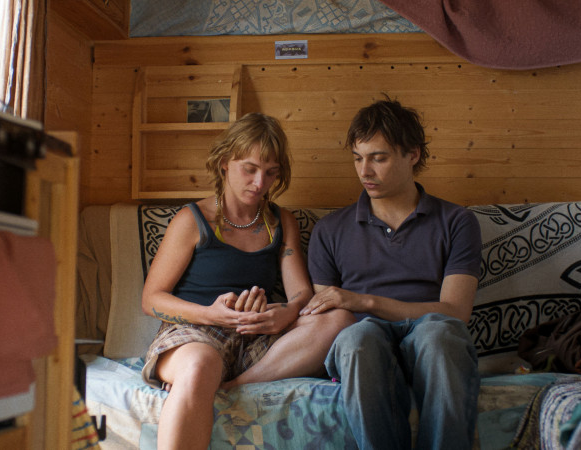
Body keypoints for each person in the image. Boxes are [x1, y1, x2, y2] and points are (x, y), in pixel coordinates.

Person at [140, 112, 356, 450]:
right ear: (224, 162)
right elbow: (151, 299)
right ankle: (203, 379)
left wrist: (286, 312)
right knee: (199, 366)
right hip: (196, 334)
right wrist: (211, 314)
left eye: (271, 173)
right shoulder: (192, 219)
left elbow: (301, 293)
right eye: (250, 169)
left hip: (256, 338)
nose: (259, 183)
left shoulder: (281, 221)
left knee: (340, 319)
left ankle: (231, 385)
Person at [300, 97, 483, 449]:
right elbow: (327, 315)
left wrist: (364, 301)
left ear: (412, 154)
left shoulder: (457, 222)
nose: (364, 172)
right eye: (358, 158)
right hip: (364, 337)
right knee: (356, 341)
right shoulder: (329, 230)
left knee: (439, 336)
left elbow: (456, 313)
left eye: (378, 158)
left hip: (430, 334)